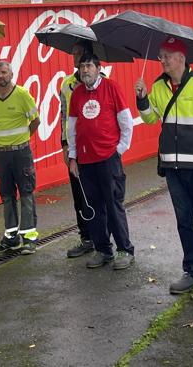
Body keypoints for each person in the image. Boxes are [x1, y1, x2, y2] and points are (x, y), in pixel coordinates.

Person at [134, 36, 193, 299]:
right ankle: (192, 272)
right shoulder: (158, 86)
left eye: (166, 55)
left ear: (181, 58)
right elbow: (151, 118)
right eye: (161, 55)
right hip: (173, 167)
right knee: (184, 221)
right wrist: (141, 99)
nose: (161, 59)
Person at [67, 52, 135, 270]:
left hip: (108, 159)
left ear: (98, 68)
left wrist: (119, 149)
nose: (85, 70)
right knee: (93, 208)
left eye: (89, 66)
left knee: (113, 205)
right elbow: (71, 128)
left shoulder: (111, 87)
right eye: (82, 66)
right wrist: (73, 156)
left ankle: (125, 250)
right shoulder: (77, 94)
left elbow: (126, 122)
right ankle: (102, 249)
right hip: (86, 161)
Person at [0, 60, 40, 254]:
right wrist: (4, 137)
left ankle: (30, 238)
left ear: (11, 74)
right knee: (6, 195)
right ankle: (11, 237)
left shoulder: (22, 94)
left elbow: (36, 120)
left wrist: (22, 138)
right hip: (2, 154)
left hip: (21, 152)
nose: (1, 76)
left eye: (4, 72)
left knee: (26, 193)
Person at [60, 41, 96, 259]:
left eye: (79, 53)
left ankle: (103, 235)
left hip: (96, 148)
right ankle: (86, 238)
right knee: (78, 195)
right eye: (72, 53)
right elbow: (63, 116)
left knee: (99, 195)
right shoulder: (66, 85)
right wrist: (64, 145)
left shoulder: (101, 82)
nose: (75, 57)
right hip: (74, 149)